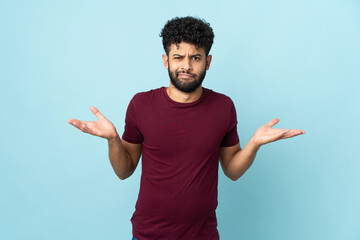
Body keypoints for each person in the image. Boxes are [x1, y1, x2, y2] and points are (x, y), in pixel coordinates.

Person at [68, 16, 305, 240]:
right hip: (148, 235)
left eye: (195, 57)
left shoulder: (223, 106)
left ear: (207, 62)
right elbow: (124, 170)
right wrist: (112, 140)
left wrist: (254, 144)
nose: (187, 65)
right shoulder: (141, 104)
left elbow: (232, 170)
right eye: (179, 57)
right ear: (166, 60)